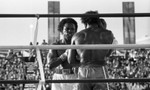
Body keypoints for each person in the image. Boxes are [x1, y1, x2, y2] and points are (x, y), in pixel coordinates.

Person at [67, 11, 116, 90]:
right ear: (98, 21)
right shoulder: (108, 34)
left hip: (83, 70)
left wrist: (85, 65)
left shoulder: (76, 36)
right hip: (100, 69)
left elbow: (71, 61)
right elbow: (108, 54)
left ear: (84, 22)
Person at [47, 18, 78, 90]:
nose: (70, 31)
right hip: (59, 77)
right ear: (61, 31)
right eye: (67, 29)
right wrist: (65, 55)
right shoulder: (55, 45)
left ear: (75, 31)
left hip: (74, 76)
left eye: (72, 29)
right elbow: (50, 65)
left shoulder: (78, 45)